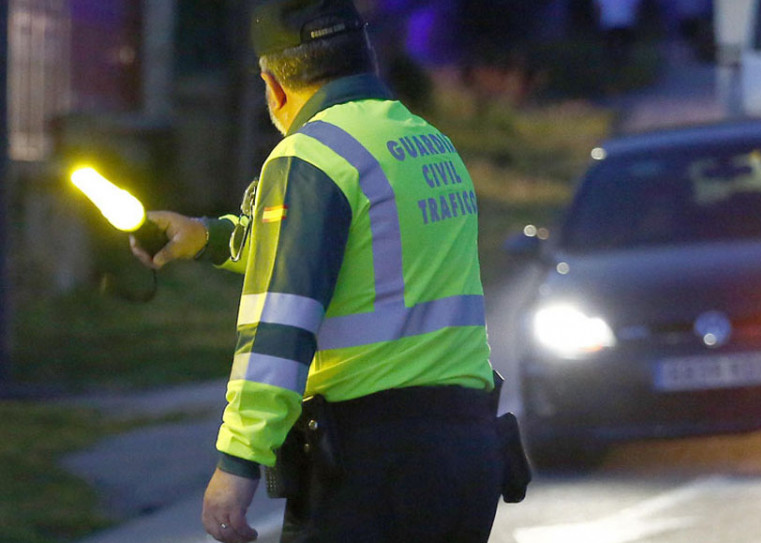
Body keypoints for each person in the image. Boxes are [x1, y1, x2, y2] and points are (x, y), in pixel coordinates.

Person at [130, 1, 508, 541]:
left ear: (274, 85)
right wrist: (210, 238)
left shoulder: (310, 156)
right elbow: (348, 250)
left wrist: (238, 462)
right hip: (466, 452)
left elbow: (279, 326)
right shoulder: (426, 142)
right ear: (365, 57)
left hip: (373, 461)